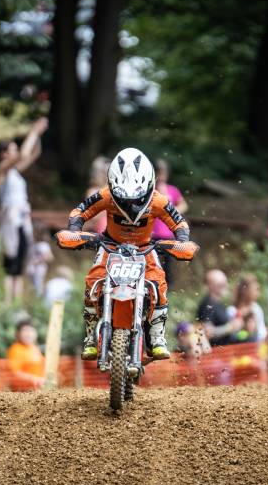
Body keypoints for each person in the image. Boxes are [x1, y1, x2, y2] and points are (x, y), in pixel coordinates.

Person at [67, 148, 191, 360]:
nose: (131, 204)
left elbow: (179, 222)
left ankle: (156, 337)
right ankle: (90, 337)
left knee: (158, 282)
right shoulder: (106, 195)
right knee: (93, 280)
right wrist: (74, 230)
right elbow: (80, 211)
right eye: (125, 199)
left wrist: (182, 241)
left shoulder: (158, 200)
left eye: (137, 198)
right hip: (110, 246)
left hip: (145, 248)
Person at [0, 117, 48, 304]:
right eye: (13, 150)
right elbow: (24, 154)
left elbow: (34, 153)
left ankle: (16, 304)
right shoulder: (1, 170)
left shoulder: (14, 172)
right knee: (10, 265)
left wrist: (37, 135)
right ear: (4, 154)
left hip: (22, 221)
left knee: (20, 265)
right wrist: (33, 131)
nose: (16, 153)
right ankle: (7, 303)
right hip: (10, 222)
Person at [152, 159, 189, 288]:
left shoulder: (172, 190)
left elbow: (184, 205)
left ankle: (167, 289)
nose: (162, 177)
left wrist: (174, 211)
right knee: (152, 263)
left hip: (167, 234)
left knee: (167, 265)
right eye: (159, 173)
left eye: (164, 173)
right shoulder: (151, 190)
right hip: (152, 234)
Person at [197, 269, 241, 347]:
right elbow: (207, 332)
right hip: (215, 351)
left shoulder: (218, 303)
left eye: (226, 283)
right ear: (210, 286)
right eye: (221, 285)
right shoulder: (208, 304)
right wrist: (230, 327)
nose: (226, 286)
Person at [6, 319, 45, 391]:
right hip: (22, 392)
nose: (29, 334)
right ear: (18, 333)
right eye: (25, 331)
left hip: (38, 390)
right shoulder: (16, 349)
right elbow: (14, 373)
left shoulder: (35, 348)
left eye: (31, 331)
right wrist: (35, 379)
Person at [228, 274, 267, 344]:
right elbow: (231, 335)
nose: (258, 293)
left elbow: (262, 331)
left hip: (255, 346)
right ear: (245, 290)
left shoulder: (256, 308)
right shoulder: (232, 310)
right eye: (255, 290)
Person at [83, 156, 110, 234]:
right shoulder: (92, 192)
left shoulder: (112, 190)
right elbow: (92, 217)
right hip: (99, 228)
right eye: (103, 172)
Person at [26, 226, 54, 297]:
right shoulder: (35, 243)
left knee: (38, 285)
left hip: (38, 267)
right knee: (33, 285)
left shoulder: (43, 245)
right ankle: (34, 298)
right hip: (33, 268)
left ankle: (38, 298)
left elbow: (48, 257)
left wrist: (36, 261)